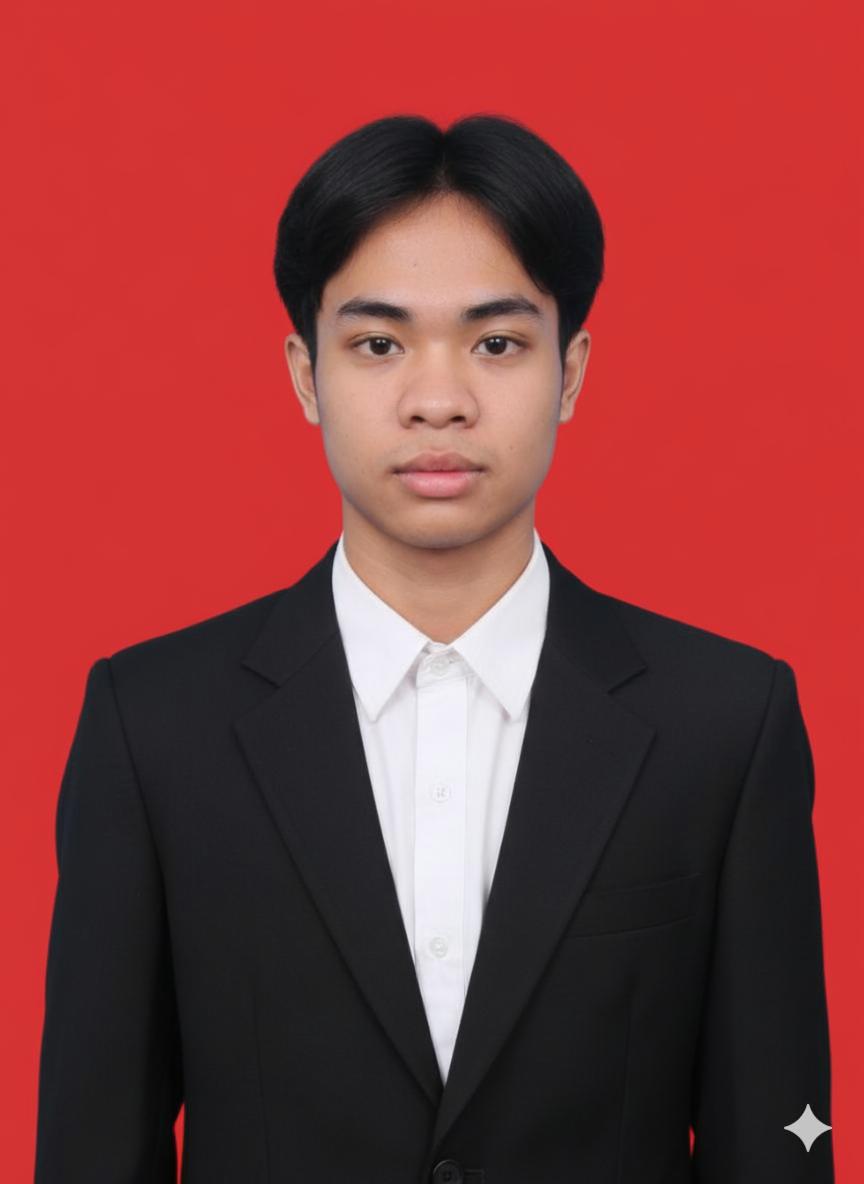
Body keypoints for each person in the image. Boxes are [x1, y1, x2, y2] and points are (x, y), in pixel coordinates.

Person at [34, 113, 834, 1183]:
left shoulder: (723, 724)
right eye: (379, 344)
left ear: (571, 372)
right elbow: (91, 1147)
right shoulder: (155, 727)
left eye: (497, 343)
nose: (439, 400)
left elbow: (773, 1143)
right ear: (305, 374)